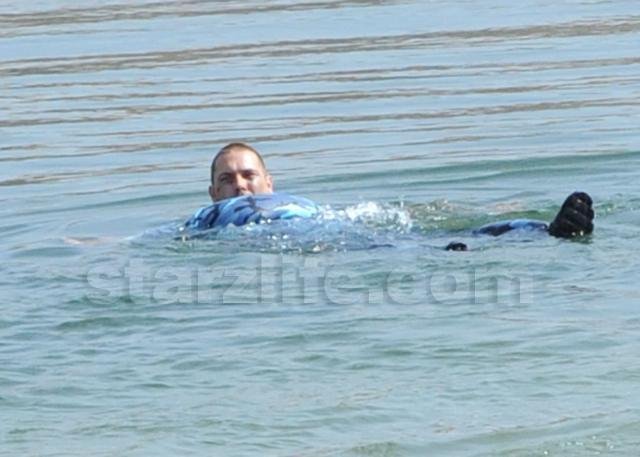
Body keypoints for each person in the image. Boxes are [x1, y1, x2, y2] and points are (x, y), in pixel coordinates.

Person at [184, 143, 595, 246]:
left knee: (432, 235)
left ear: (270, 183)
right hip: (316, 242)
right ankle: (440, 256)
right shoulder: (209, 222)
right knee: (397, 246)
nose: (240, 185)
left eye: (249, 175)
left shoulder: (296, 204)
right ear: (212, 193)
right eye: (227, 180)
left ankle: (540, 230)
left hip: (333, 228)